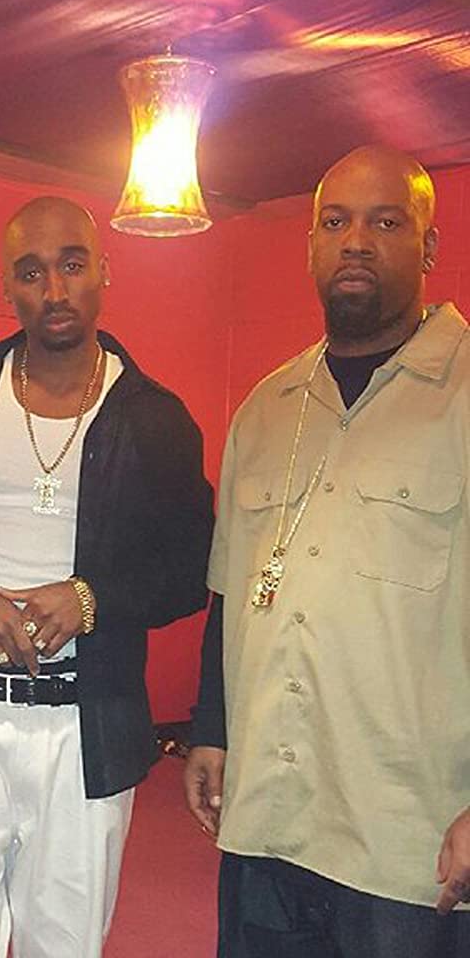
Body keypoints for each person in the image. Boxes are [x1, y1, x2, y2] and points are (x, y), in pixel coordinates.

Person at [0, 195, 214, 957]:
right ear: (7, 287)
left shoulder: (154, 417)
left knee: (63, 945)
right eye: (31, 273)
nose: (55, 290)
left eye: (72, 265)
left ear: (104, 271)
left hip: (85, 724)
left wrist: (91, 598)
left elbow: (191, 568)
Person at [185, 145, 470, 957]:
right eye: (336, 222)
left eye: (386, 223)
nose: (356, 242)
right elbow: (231, 591)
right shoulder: (267, 408)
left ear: (428, 246)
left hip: (407, 839)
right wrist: (212, 727)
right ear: (311, 244)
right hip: (269, 813)